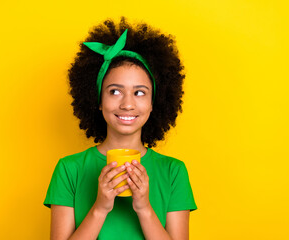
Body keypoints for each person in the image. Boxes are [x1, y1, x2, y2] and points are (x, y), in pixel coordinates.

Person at [44, 17, 198, 240]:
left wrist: (144, 208)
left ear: (154, 103)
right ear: (98, 99)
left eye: (139, 92)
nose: (127, 104)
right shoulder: (69, 169)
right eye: (115, 91)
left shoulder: (174, 172)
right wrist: (100, 208)